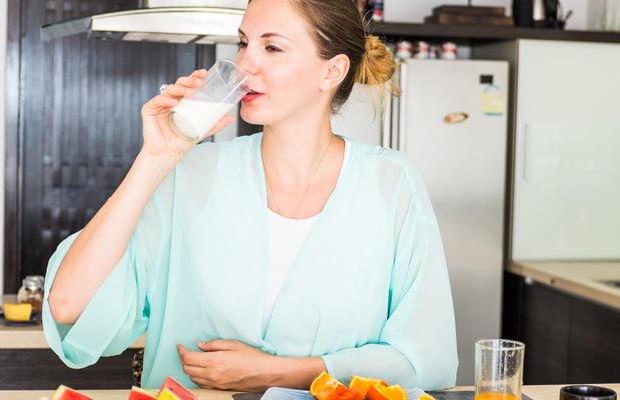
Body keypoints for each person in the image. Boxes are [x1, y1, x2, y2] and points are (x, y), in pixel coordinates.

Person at [43, 0, 458, 392]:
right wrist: (155, 158)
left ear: (331, 72)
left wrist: (278, 373)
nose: (243, 64)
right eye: (243, 42)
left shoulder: (392, 184)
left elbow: (427, 359)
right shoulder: (192, 173)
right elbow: (69, 306)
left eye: (272, 47)